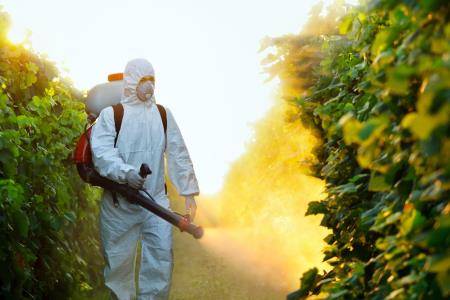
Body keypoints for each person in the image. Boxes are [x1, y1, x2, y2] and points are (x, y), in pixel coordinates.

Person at [90, 58, 200, 300]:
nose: (148, 86)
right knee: (119, 268)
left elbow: (178, 153)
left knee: (160, 263)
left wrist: (188, 192)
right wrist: (126, 174)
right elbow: (102, 154)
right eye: (143, 80)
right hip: (120, 205)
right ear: (130, 82)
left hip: (156, 202)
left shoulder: (162, 114)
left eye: (152, 80)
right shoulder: (112, 115)